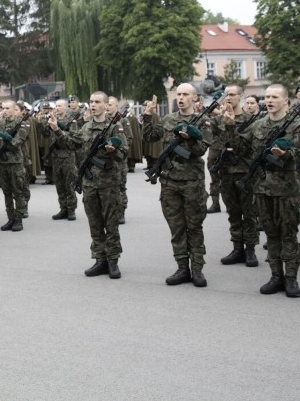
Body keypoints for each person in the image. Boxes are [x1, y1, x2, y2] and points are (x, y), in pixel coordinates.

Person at [224, 84, 300, 297]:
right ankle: (275, 276)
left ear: (285, 101)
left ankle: (291, 278)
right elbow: (241, 149)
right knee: (271, 234)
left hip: (287, 190)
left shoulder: (297, 125)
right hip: (262, 189)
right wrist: (231, 127)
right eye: (267, 97)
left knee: (287, 234)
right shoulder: (258, 125)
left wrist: (285, 155)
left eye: (274, 97)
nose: (269, 101)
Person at [142, 83, 213, 288]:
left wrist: (190, 140)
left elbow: (200, 150)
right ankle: (182, 267)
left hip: (192, 183)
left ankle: (197, 268)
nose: (181, 97)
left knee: (194, 226)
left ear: (195, 98)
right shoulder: (168, 120)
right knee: (177, 227)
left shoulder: (203, 122)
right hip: (170, 182)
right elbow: (149, 136)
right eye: (179, 94)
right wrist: (148, 115)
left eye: (185, 94)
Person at [50, 91, 127, 278]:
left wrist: (113, 150)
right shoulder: (85, 127)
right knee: (95, 223)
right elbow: (71, 143)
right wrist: (57, 130)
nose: (93, 105)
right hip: (90, 183)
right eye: (91, 101)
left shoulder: (114, 126)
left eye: (97, 102)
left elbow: (124, 153)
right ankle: (100, 259)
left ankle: (113, 261)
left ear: (105, 105)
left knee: (111, 223)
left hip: (109, 183)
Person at [211, 85, 259, 267]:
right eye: (226, 95)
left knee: (249, 212)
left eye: (232, 94)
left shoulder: (250, 120)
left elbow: (247, 148)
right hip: (225, 172)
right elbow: (212, 141)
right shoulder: (218, 120)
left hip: (244, 171)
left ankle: (250, 249)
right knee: (233, 212)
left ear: (241, 96)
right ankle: (237, 247)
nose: (228, 97)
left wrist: (231, 127)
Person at [0, 100, 30, 231]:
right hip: (3, 163)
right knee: (7, 193)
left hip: (15, 162)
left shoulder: (23, 123)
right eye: (3, 108)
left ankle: (19, 219)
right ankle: (10, 218)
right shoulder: (1, 122)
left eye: (8, 108)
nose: (4, 110)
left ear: (15, 109)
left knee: (18, 192)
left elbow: (17, 142)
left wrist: (6, 138)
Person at [41, 100, 79, 222]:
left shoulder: (71, 119)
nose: (57, 108)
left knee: (69, 183)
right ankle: (63, 208)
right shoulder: (54, 117)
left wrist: (58, 126)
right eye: (56, 106)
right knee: (59, 184)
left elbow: (73, 136)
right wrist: (45, 122)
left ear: (66, 107)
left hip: (67, 154)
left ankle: (71, 209)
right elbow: (45, 134)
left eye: (60, 106)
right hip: (56, 155)